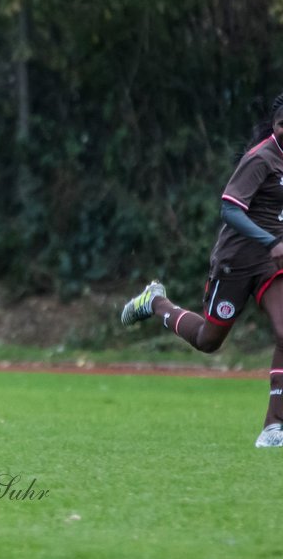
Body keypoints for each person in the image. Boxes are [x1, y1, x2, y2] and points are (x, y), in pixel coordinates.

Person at [121, 100, 283, 448]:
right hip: (237, 259)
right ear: (275, 125)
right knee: (209, 340)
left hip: (273, 263)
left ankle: (274, 426)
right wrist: (271, 241)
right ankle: (157, 303)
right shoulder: (261, 158)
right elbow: (229, 209)